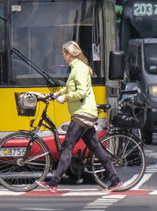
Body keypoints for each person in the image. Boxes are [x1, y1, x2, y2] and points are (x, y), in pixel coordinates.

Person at [36, 41, 122, 192]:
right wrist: (55, 94)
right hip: (83, 113)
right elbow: (70, 87)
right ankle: (115, 180)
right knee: (96, 147)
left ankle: (54, 182)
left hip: (83, 114)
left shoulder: (80, 69)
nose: (63, 57)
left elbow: (81, 92)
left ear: (69, 54)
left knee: (67, 146)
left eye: (63, 54)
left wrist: (66, 98)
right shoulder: (75, 67)